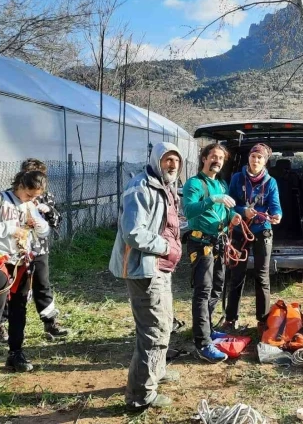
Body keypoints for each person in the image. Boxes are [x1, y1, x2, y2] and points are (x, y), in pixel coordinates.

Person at [109, 142, 184, 411]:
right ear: (155, 160)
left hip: (160, 268)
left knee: (164, 322)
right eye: (167, 159)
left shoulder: (165, 186)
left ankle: (157, 371)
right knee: (153, 331)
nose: (172, 165)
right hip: (145, 269)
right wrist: (166, 247)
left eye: (176, 160)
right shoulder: (140, 187)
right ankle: (140, 396)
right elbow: (133, 232)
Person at [0, 170, 51, 381]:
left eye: (35, 196)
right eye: (29, 194)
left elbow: (44, 232)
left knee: (19, 309)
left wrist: (39, 224)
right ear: (20, 185)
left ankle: (15, 354)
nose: (31, 199)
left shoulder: (30, 205)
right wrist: (9, 228)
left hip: (21, 262)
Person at [0, 159, 69, 345]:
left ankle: (50, 322)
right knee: (10, 288)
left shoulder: (46, 196)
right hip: (16, 251)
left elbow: (56, 221)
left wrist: (49, 211)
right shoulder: (11, 197)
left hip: (39, 249)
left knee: (42, 284)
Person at [183, 143, 241, 363]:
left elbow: (225, 211)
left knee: (217, 288)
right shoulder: (194, 184)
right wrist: (212, 199)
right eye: (213, 157)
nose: (217, 161)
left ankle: (206, 329)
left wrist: (233, 217)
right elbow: (189, 210)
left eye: (221, 158)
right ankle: (202, 342)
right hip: (201, 244)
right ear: (204, 158)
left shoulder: (222, 184)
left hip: (219, 243)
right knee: (203, 291)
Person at [224, 143, 281, 334]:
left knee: (262, 276)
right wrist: (243, 211)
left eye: (260, 157)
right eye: (253, 156)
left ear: (265, 161)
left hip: (262, 230)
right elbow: (230, 204)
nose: (255, 160)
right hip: (240, 231)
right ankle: (231, 319)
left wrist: (277, 215)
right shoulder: (237, 178)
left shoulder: (271, 182)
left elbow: (275, 205)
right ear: (248, 158)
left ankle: (262, 320)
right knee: (236, 275)